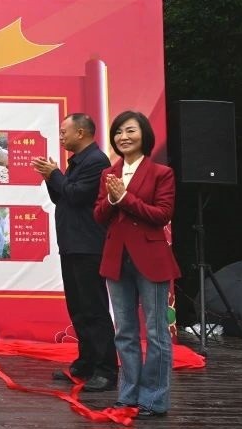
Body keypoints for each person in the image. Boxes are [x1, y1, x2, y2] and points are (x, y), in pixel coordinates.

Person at [94, 110, 179, 418]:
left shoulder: (161, 173)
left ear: (144, 134)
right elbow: (98, 215)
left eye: (130, 130)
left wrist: (124, 198)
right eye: (118, 132)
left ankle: (154, 400)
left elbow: (162, 215)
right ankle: (128, 395)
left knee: (156, 332)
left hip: (151, 259)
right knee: (125, 331)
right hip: (116, 258)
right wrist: (111, 199)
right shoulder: (109, 173)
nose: (123, 137)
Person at [32, 113, 117, 392]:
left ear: (81, 133)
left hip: (88, 245)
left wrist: (54, 174)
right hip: (72, 244)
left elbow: (77, 195)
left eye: (63, 131)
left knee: (93, 309)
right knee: (78, 309)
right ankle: (86, 363)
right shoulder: (79, 161)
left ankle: (106, 370)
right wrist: (50, 177)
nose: (60, 136)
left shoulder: (96, 161)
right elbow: (61, 196)